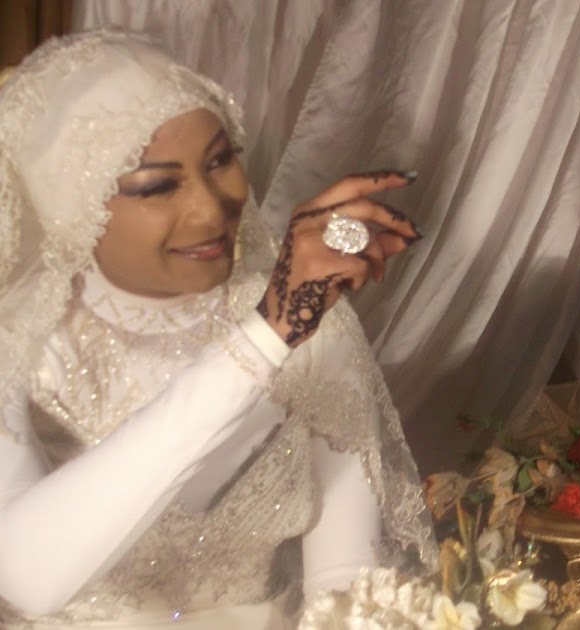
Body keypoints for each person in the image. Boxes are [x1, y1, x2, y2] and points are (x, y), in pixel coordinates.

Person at [0, 30, 436, 628]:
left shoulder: (314, 323)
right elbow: (25, 574)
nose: (211, 209)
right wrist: (265, 337)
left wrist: (280, 326)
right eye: (158, 186)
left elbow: (346, 588)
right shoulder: (20, 342)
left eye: (219, 160)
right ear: (70, 206)